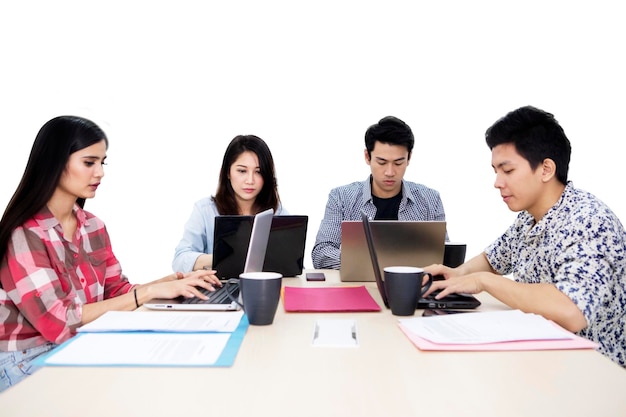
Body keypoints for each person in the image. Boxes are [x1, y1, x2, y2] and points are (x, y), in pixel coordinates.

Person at [0, 116, 221, 392]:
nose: (100, 173)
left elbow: (117, 292)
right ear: (55, 163)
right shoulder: (24, 235)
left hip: (80, 342)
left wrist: (173, 283)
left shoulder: (93, 226)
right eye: (89, 162)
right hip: (26, 360)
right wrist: (147, 294)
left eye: (102, 163)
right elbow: (58, 322)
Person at [424, 105, 626, 367]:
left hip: (594, 373)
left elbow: (571, 311)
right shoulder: (530, 217)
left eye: (507, 171)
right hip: (544, 360)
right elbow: (493, 258)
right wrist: (458, 275)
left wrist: (484, 281)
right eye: (495, 171)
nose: (497, 182)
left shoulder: (588, 220)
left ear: (545, 169)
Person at [312, 115, 446, 269]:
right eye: (382, 162)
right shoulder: (342, 198)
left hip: (413, 288)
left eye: (398, 163)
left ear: (409, 158)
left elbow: (443, 255)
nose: (390, 172)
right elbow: (321, 254)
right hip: (357, 287)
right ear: (367, 157)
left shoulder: (430, 199)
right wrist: (377, 262)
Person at [172, 135, 287, 272]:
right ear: (228, 172)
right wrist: (225, 258)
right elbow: (180, 260)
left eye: (258, 172)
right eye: (242, 171)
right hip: (217, 288)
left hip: (262, 288)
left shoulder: (277, 212)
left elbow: (291, 264)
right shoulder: (205, 210)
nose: (250, 180)